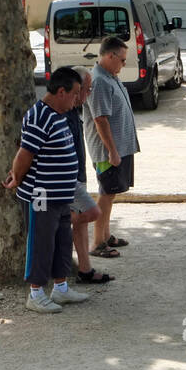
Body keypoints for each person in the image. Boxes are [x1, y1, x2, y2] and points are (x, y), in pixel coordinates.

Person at [3, 66, 91, 314]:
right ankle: (35, 293)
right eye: (75, 94)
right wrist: (17, 178)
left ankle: (61, 288)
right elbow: (25, 153)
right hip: (41, 195)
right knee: (41, 243)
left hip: (61, 196)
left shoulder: (58, 114)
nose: (77, 100)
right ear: (61, 91)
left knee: (62, 242)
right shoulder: (39, 116)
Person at [84, 35, 139, 261]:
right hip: (108, 151)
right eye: (122, 60)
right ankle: (97, 242)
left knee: (112, 192)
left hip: (120, 148)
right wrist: (112, 151)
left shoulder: (110, 76)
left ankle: (106, 235)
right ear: (110, 56)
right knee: (106, 194)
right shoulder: (99, 82)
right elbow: (100, 119)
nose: (124, 64)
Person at [65, 69, 110, 285]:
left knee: (81, 224)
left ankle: (85, 269)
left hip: (78, 174)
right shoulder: (62, 111)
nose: (89, 93)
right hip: (67, 179)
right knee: (90, 213)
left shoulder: (75, 111)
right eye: (87, 89)